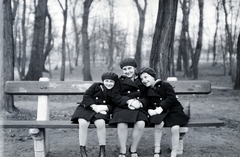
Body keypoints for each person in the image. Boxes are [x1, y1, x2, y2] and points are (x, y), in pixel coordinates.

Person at [139, 67, 189, 157]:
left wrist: (160, 108)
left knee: (175, 128)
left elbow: (171, 98)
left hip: (173, 110)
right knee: (158, 124)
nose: (144, 80)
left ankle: (174, 150)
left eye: (146, 77)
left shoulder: (165, 85)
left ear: (153, 77)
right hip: (159, 113)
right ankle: (157, 149)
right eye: (142, 79)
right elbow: (147, 101)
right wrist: (149, 110)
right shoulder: (147, 90)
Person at [71, 72, 118, 157]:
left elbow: (114, 105)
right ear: (103, 81)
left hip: (101, 111)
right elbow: (86, 96)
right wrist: (93, 106)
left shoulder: (115, 92)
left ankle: (102, 149)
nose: (109, 83)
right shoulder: (96, 86)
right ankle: (82, 149)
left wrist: (105, 108)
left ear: (115, 83)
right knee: (83, 123)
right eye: (106, 81)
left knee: (101, 123)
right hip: (87, 108)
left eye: (111, 82)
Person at [109, 58, 149, 157]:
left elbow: (149, 96)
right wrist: (129, 101)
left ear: (135, 68)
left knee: (140, 123)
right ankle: (123, 150)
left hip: (138, 107)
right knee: (122, 123)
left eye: (130, 68)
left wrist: (140, 103)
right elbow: (115, 96)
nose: (127, 71)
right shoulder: (119, 81)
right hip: (122, 107)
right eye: (125, 69)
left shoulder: (142, 79)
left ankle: (133, 149)